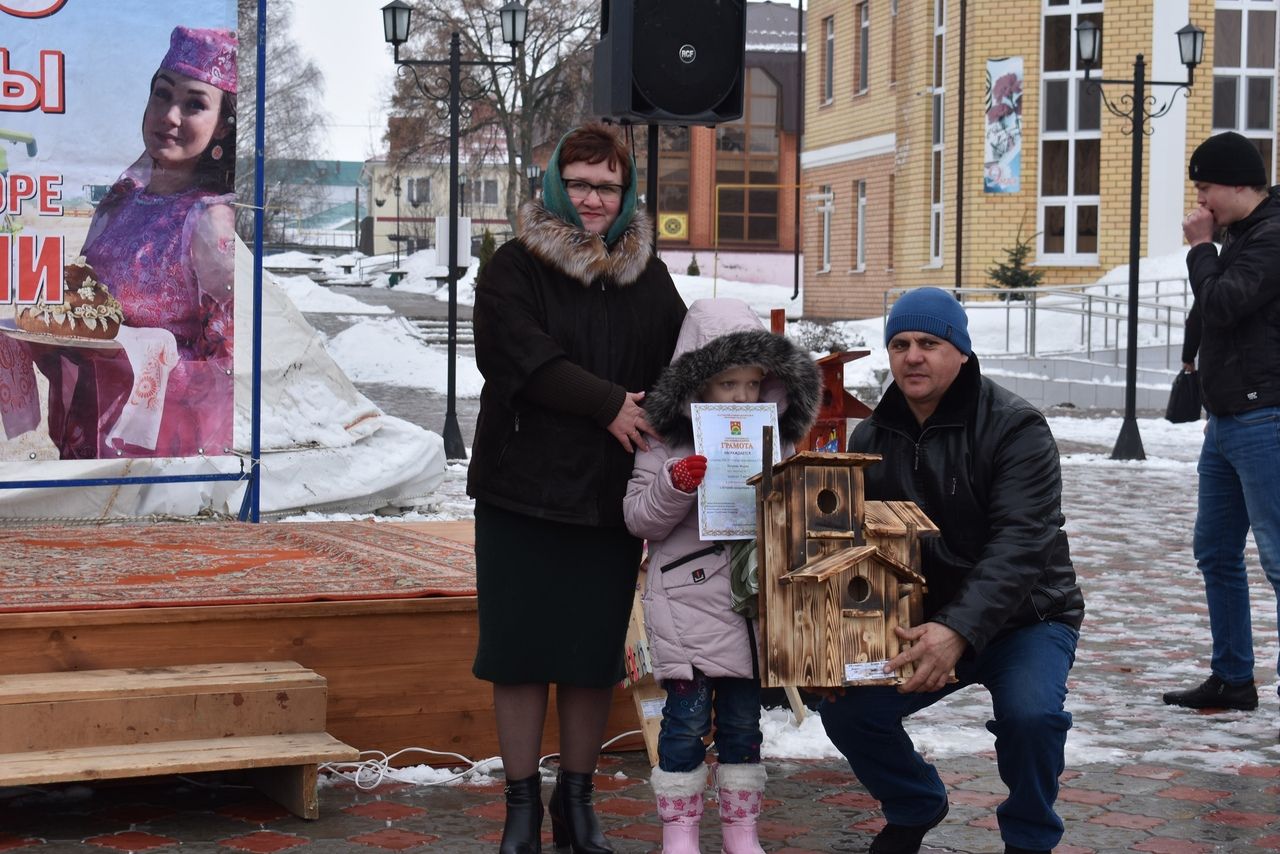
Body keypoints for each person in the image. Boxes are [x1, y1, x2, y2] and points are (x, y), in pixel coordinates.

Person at [467, 122, 687, 854]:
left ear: (627, 194)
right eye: (582, 184)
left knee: (591, 659)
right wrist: (608, 404)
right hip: (521, 489)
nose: (594, 200)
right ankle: (521, 807)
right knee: (521, 652)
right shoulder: (515, 266)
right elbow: (517, 355)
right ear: (559, 186)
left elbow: (680, 361)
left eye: (608, 187)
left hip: (605, 499)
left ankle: (578, 802)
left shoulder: (647, 275)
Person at [818, 287, 1085, 854]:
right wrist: (829, 636)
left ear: (960, 352)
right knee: (849, 709)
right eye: (900, 343)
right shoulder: (873, 436)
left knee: (1031, 718)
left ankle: (1031, 837)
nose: (912, 356)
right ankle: (915, 802)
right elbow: (857, 544)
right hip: (924, 619)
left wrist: (958, 631)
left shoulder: (1016, 427)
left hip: (1027, 617)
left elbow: (1020, 543)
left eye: (930, 343)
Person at [623, 298, 819, 854]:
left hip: (750, 605)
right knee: (683, 725)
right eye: (728, 383)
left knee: (743, 727)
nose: (741, 397)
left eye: (753, 385)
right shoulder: (664, 440)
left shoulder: (774, 440)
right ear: (698, 381)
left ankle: (741, 829)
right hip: (686, 599)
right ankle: (679, 829)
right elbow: (638, 516)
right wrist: (677, 484)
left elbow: (793, 521)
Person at [31, 25, 236, 459]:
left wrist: (130, 358)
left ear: (221, 127)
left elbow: (225, 369)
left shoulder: (209, 222)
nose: (171, 116)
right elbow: (85, 307)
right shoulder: (121, 200)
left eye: (195, 104)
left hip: (158, 451)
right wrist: (53, 339)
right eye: (162, 94)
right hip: (90, 434)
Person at [1163, 131, 1280, 717]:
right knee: (1214, 549)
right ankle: (1233, 677)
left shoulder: (1272, 236)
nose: (1201, 201)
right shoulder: (1239, 236)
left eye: (1206, 187)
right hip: (1229, 417)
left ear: (1239, 183)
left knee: (1278, 556)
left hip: (1266, 417)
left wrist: (1200, 248)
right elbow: (1207, 313)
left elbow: (1225, 302)